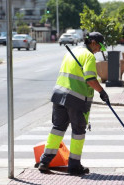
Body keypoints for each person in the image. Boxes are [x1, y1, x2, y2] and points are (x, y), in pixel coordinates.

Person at [38, 32, 109, 175]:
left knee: (57, 128)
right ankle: (74, 166)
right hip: (76, 99)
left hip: (59, 95)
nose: (99, 50)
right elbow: (90, 79)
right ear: (93, 42)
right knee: (78, 132)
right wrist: (102, 92)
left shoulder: (73, 51)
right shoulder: (88, 56)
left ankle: (44, 161)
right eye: (99, 46)